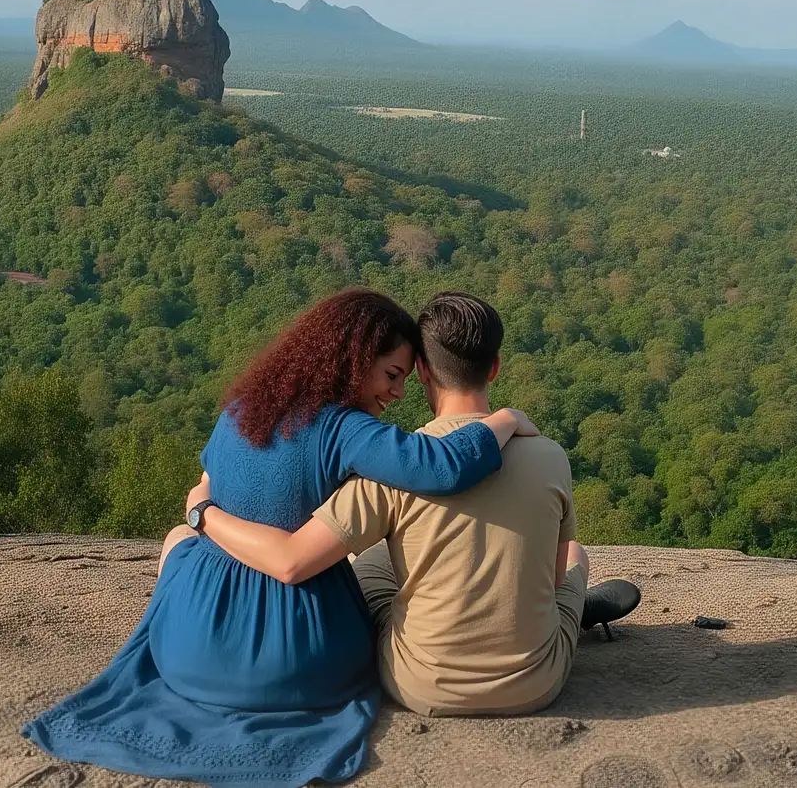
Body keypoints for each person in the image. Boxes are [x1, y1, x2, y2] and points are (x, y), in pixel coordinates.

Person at [21, 288, 541, 788]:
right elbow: (442, 465)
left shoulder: (241, 410)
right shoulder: (345, 429)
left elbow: (208, 480)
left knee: (182, 534)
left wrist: (203, 513)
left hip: (184, 654)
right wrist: (504, 419)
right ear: (354, 359)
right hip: (305, 664)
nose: (398, 393)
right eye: (391, 374)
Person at [192, 292, 641, 717]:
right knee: (574, 557)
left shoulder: (390, 464)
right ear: (496, 367)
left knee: (369, 558)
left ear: (423, 369)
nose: (398, 389)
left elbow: (296, 557)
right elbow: (557, 570)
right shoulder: (550, 456)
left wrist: (203, 510)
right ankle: (571, 615)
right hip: (536, 683)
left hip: (417, 685)